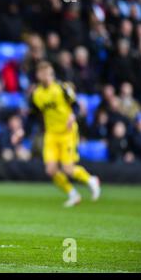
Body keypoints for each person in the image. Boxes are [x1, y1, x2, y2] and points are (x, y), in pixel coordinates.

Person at [30, 61, 101, 207]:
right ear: (38, 75)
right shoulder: (37, 94)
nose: (45, 76)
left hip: (67, 132)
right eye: (42, 73)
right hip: (51, 134)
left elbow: (76, 106)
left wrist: (73, 116)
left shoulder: (62, 88)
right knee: (51, 170)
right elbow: (36, 114)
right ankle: (73, 194)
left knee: (68, 169)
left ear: (52, 74)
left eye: (48, 73)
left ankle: (90, 180)